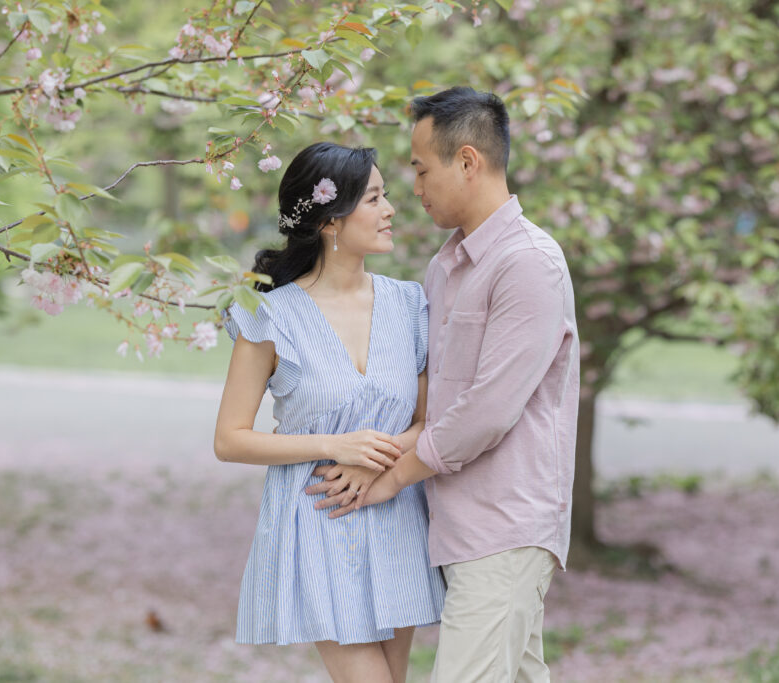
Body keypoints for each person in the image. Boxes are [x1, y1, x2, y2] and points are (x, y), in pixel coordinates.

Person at [309, 87, 580, 682]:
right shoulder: (447, 264)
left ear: (467, 162)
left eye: (421, 168)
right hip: (457, 524)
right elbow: (433, 400)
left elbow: (486, 411)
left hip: (505, 528)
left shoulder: (528, 263)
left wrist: (393, 477)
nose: (413, 186)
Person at [212, 141, 445, 683]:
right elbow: (230, 439)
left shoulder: (410, 303)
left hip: (396, 516)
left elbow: (428, 422)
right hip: (319, 518)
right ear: (331, 221)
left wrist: (375, 459)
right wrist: (334, 445)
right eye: (374, 199)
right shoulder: (269, 314)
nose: (391, 210)